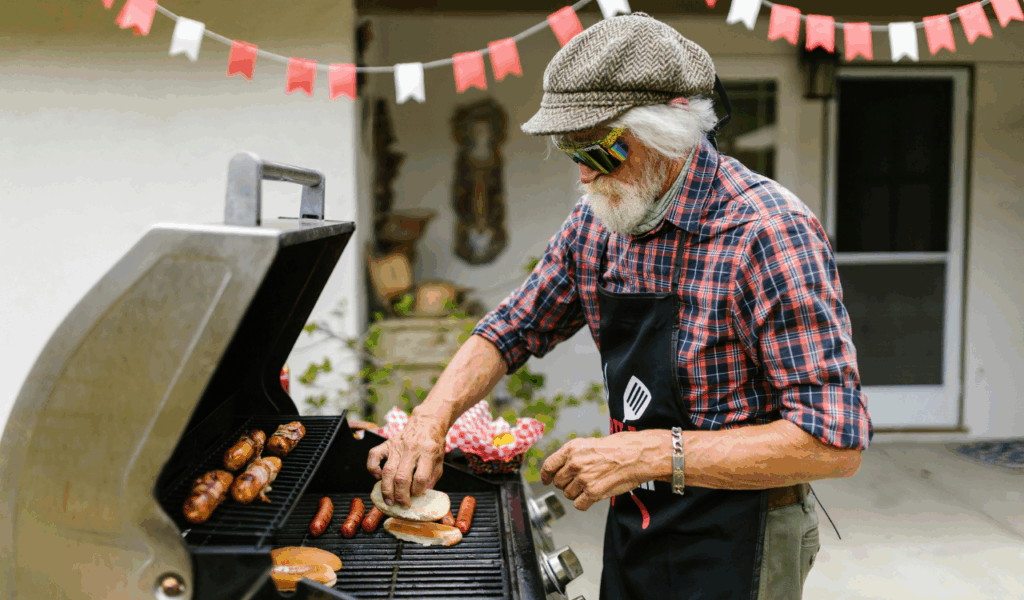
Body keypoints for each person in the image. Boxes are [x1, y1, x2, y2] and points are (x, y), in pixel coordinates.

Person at [367, 12, 872, 600]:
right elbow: (511, 328)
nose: (583, 173)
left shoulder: (768, 233)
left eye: (599, 151)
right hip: (642, 514)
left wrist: (653, 452)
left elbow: (834, 442)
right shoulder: (599, 219)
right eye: (569, 149)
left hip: (745, 532)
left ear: (668, 135)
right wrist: (429, 423)